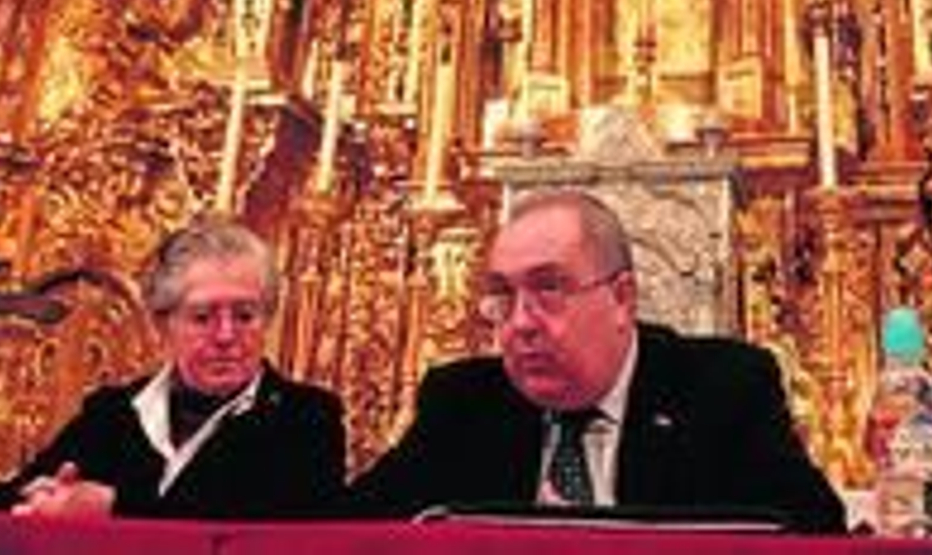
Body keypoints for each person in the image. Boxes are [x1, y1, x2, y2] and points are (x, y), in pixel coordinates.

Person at [347, 191, 845, 533]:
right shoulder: (463, 402)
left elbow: (814, 528)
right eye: (501, 295)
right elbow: (345, 530)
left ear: (623, 299)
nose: (520, 322)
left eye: (549, 288)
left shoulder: (723, 389)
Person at [0, 218, 345, 520]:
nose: (227, 335)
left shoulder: (307, 417)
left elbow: (268, 528)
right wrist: (40, 499)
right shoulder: (113, 412)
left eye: (245, 315)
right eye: (202, 317)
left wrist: (113, 509)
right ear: (164, 323)